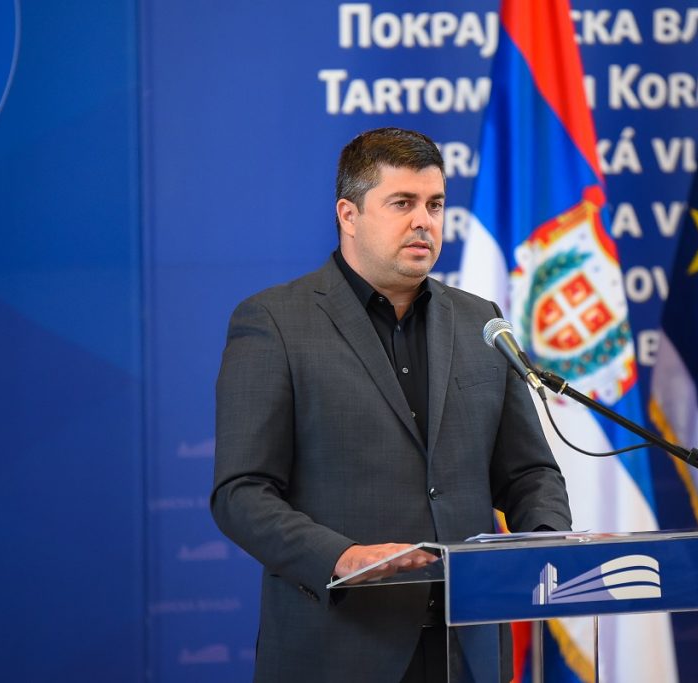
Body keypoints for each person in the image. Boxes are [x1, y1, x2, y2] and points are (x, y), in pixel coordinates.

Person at [212, 127, 571, 683]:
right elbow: (241, 492)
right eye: (402, 203)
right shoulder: (275, 323)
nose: (424, 221)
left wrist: (544, 543)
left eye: (435, 204)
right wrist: (340, 557)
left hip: (468, 648)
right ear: (349, 215)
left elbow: (528, 473)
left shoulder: (480, 322)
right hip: (341, 647)